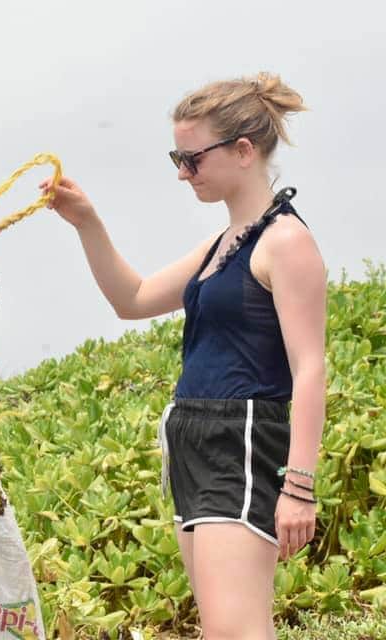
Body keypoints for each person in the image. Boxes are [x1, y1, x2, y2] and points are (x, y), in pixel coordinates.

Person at [41, 72, 325, 639]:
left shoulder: (286, 241)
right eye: (178, 156)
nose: (181, 172)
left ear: (243, 151)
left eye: (191, 158)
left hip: (241, 437)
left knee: (233, 632)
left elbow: (310, 367)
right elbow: (134, 299)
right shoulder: (223, 244)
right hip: (192, 437)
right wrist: (87, 223)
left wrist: (299, 485)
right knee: (224, 630)